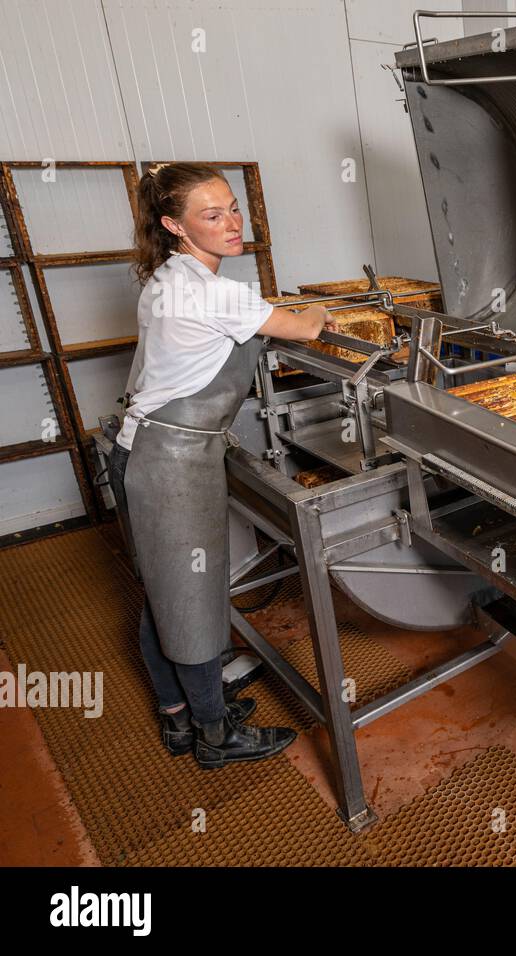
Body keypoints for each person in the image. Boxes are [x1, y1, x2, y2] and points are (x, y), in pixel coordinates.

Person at [108, 161, 332, 767]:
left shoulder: (165, 277)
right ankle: (215, 736)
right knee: (194, 600)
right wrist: (321, 313)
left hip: (137, 450)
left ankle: (179, 718)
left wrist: (266, 310)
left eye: (233, 207)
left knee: (164, 595)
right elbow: (305, 329)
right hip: (171, 464)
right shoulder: (215, 293)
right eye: (212, 215)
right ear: (174, 225)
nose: (232, 223)